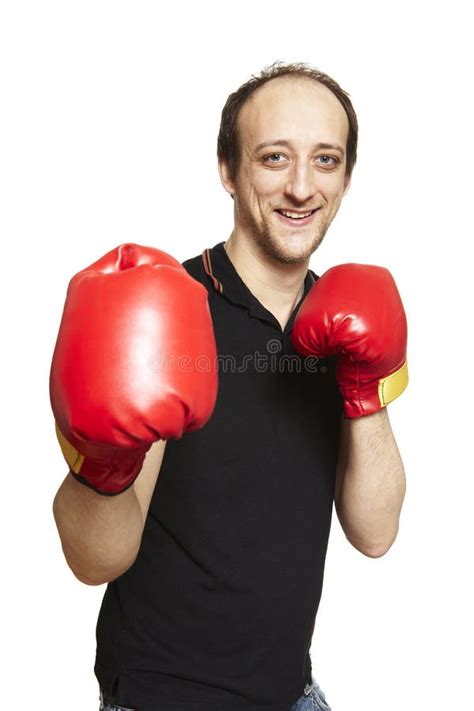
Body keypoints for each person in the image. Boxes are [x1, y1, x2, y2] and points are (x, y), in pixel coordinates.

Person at [51, 61, 408, 711]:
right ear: (227, 169)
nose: (301, 186)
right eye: (274, 158)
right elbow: (93, 560)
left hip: (292, 692)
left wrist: (365, 388)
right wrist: (102, 463)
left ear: (347, 177)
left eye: (325, 160)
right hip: (166, 696)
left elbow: (375, 531)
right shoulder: (169, 311)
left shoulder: (344, 319)